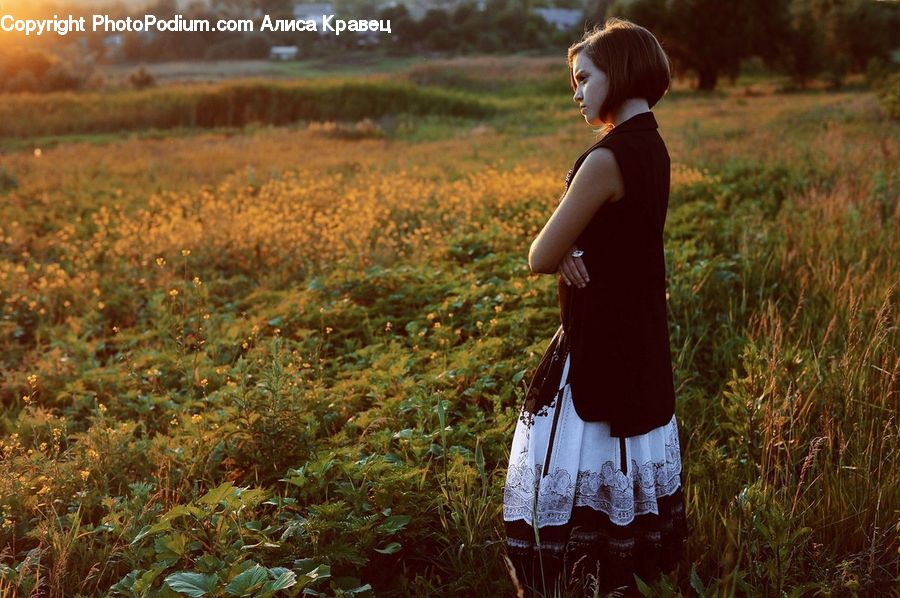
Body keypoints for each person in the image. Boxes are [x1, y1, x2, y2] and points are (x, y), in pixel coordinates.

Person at [502, 17, 689, 597]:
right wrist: (575, 250)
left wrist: (560, 252)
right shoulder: (651, 146)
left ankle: (580, 582)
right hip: (639, 340)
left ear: (621, 73)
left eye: (584, 78)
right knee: (628, 472)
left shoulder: (605, 159)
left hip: (601, 343)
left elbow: (537, 254)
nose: (577, 92)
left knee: (584, 471)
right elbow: (616, 236)